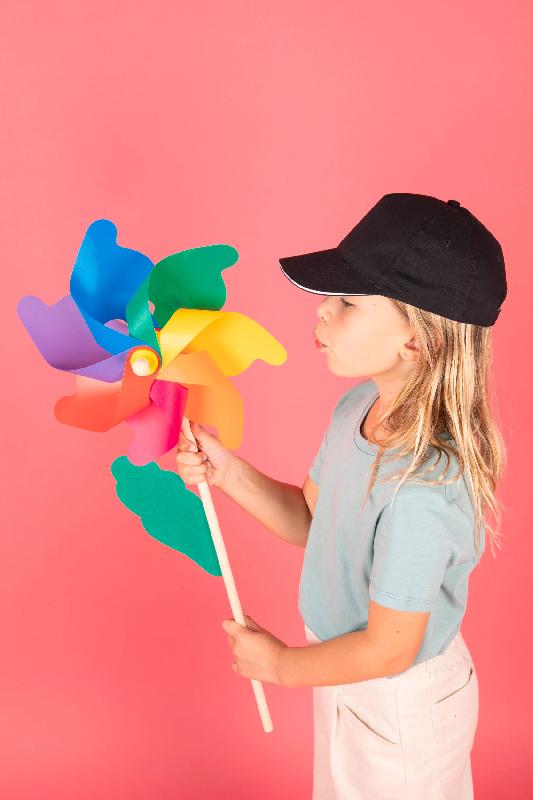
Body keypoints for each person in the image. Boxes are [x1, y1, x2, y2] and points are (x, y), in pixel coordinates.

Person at [175, 193, 508, 799]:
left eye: (348, 302)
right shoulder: (359, 407)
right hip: (343, 672)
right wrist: (229, 474)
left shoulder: (422, 487)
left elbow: (388, 649)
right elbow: (310, 516)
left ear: (419, 342)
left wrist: (279, 667)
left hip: (397, 701)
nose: (322, 314)